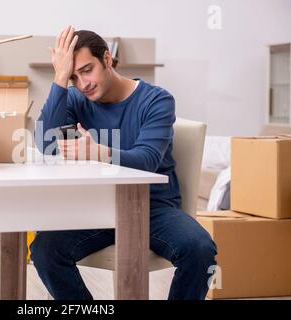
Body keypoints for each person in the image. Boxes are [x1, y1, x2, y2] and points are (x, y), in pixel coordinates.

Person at [31, 26, 217, 300]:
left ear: (107, 59)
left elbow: (147, 159)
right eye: (74, 76)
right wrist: (59, 78)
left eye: (87, 70)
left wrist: (98, 151)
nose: (83, 83)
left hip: (152, 208)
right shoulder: (75, 99)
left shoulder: (156, 100)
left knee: (200, 249)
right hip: (97, 207)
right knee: (45, 250)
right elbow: (46, 144)